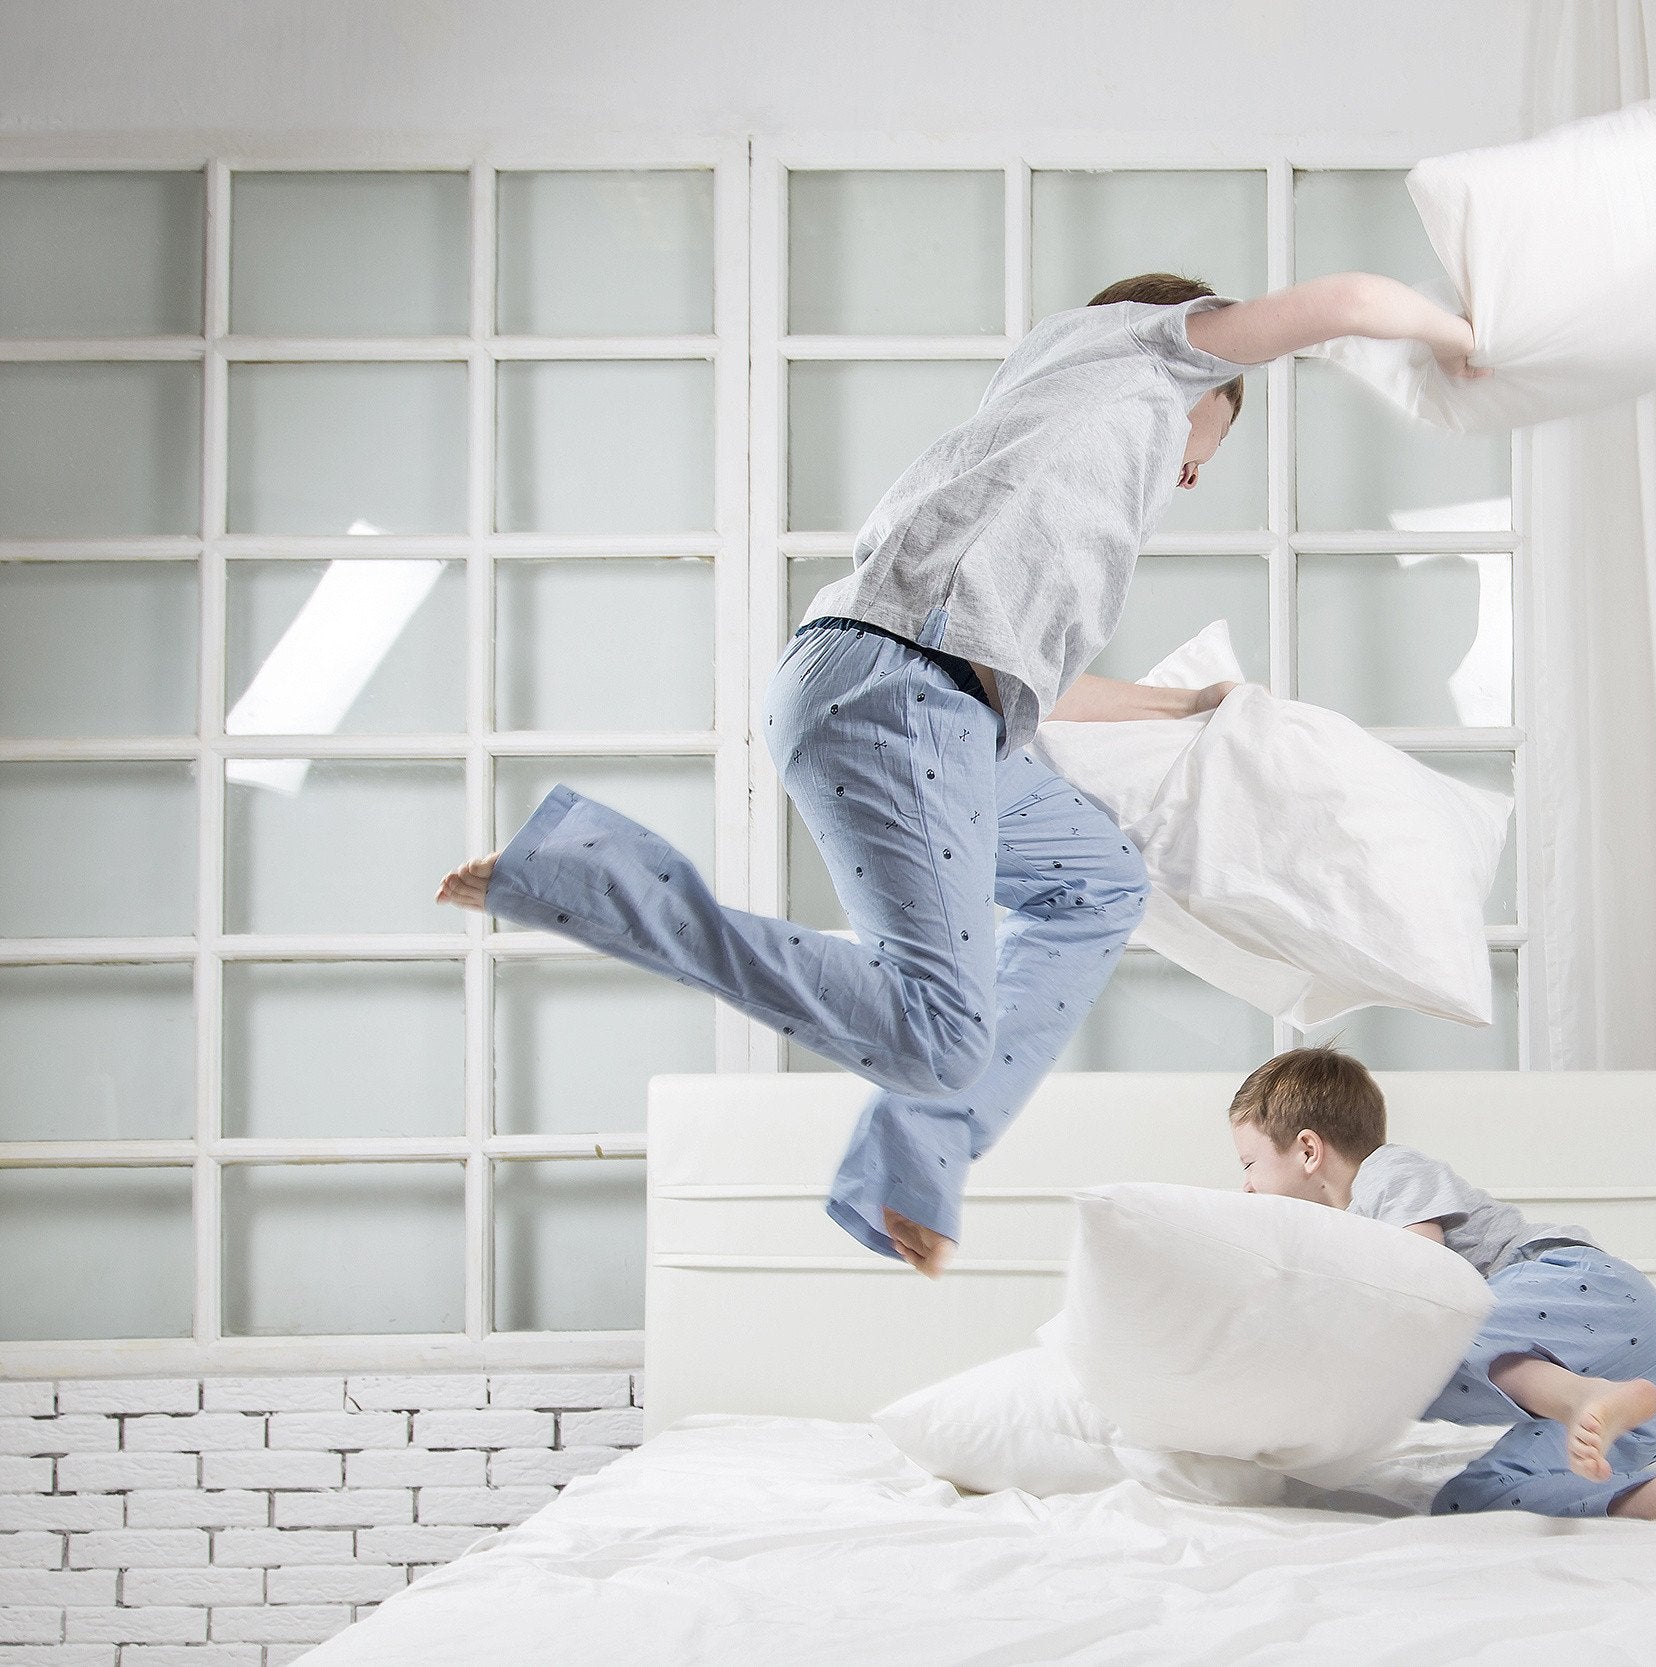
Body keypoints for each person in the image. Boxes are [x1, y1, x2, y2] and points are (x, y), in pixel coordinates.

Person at [437, 270, 1487, 1280]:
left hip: (931, 704)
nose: (1196, 470)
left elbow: (1036, 685)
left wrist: (1181, 706)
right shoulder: (1150, 352)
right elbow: (1343, 303)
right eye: (1220, 430)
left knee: (1100, 881)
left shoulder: (1055, 431)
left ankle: (912, 1157)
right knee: (938, 1038)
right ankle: (587, 873)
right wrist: (1463, 338)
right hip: (896, 692)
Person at [1226, 1044, 1656, 1525]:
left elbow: (1420, 1279)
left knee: (1415, 1339)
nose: (1245, 1189)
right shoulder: (1343, 1234)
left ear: (1308, 1150)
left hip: (1583, 1291)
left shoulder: (1386, 1174)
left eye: (1249, 1163)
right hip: (1641, 1386)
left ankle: (1580, 1397)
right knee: (1476, 1496)